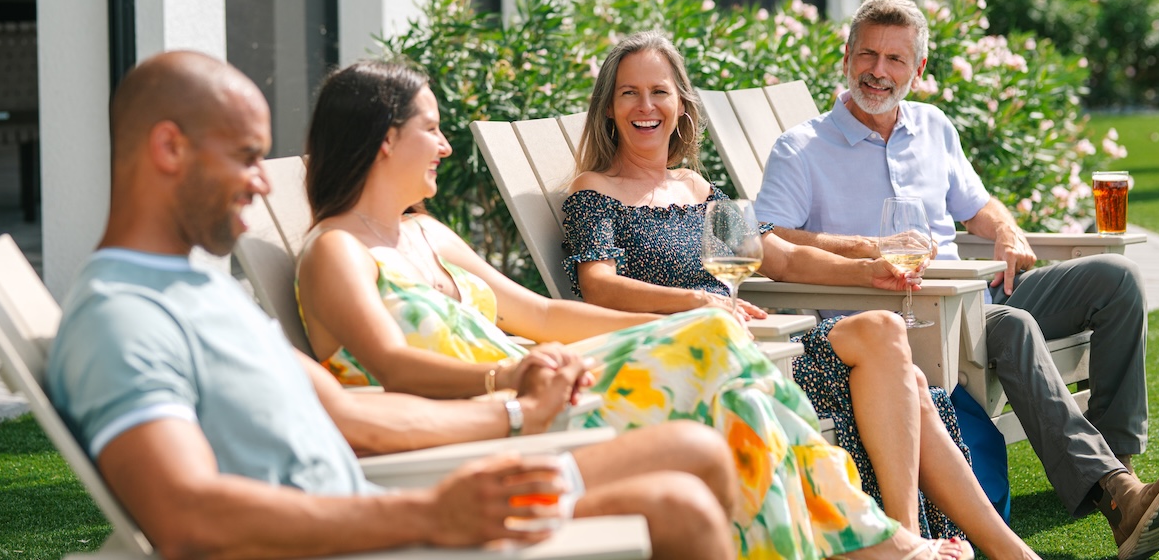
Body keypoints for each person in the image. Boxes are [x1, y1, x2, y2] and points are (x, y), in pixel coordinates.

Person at [45, 50, 743, 560]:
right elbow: (187, 517)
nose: (263, 183)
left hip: (384, 504)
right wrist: (432, 513)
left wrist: (513, 410)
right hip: (372, 534)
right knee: (677, 506)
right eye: (247, 156)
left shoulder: (205, 294)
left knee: (695, 453)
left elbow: (351, 414)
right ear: (169, 148)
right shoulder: (122, 317)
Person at [294, 60, 982, 560]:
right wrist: (511, 381)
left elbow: (543, 315)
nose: (445, 146)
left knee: (724, 362)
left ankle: (869, 541)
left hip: (547, 383)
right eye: (432, 130)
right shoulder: (336, 252)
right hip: (499, 417)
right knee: (726, 370)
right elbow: (392, 365)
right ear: (386, 139)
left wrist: (676, 326)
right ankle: (871, 541)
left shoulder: (427, 235)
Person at [559, 31, 1039, 560]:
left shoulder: (696, 188)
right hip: (700, 362)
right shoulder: (593, 191)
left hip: (759, 344)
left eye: (659, 92)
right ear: (609, 108)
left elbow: (780, 257)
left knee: (883, 329)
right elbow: (597, 284)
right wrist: (698, 302)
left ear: (681, 105)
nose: (646, 107)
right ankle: (954, 548)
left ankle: (916, 536)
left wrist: (867, 272)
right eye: (629, 93)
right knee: (914, 385)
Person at [753, 0, 1159, 560]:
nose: (878, 71)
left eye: (895, 59)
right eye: (867, 55)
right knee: (1011, 324)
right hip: (911, 315)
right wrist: (867, 248)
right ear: (846, 58)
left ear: (918, 68)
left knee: (1116, 278)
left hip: (978, 293)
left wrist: (1006, 231)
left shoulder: (933, 126)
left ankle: (1121, 476)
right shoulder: (802, 148)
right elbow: (767, 236)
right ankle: (1116, 497)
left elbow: (979, 206)